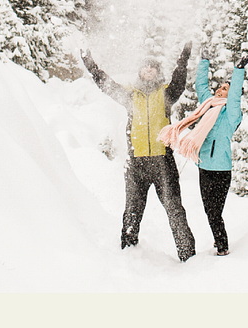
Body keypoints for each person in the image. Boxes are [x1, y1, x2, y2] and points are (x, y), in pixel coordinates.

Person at [80, 42, 198, 262]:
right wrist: (90, 64)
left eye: (152, 67)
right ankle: (128, 255)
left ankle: (188, 257)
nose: (148, 70)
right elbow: (105, 83)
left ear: (157, 72)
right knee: (132, 212)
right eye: (145, 67)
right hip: (137, 164)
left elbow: (179, 81)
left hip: (163, 162)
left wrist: (183, 58)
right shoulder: (130, 95)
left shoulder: (166, 94)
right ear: (140, 72)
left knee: (175, 210)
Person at [160, 45, 248, 256]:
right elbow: (201, 86)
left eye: (225, 89)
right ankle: (220, 243)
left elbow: (235, 96)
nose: (220, 90)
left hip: (221, 171)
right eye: (220, 87)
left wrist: (238, 71)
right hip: (205, 168)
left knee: (214, 212)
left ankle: (223, 247)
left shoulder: (232, 114)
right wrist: (204, 61)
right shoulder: (207, 106)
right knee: (210, 211)